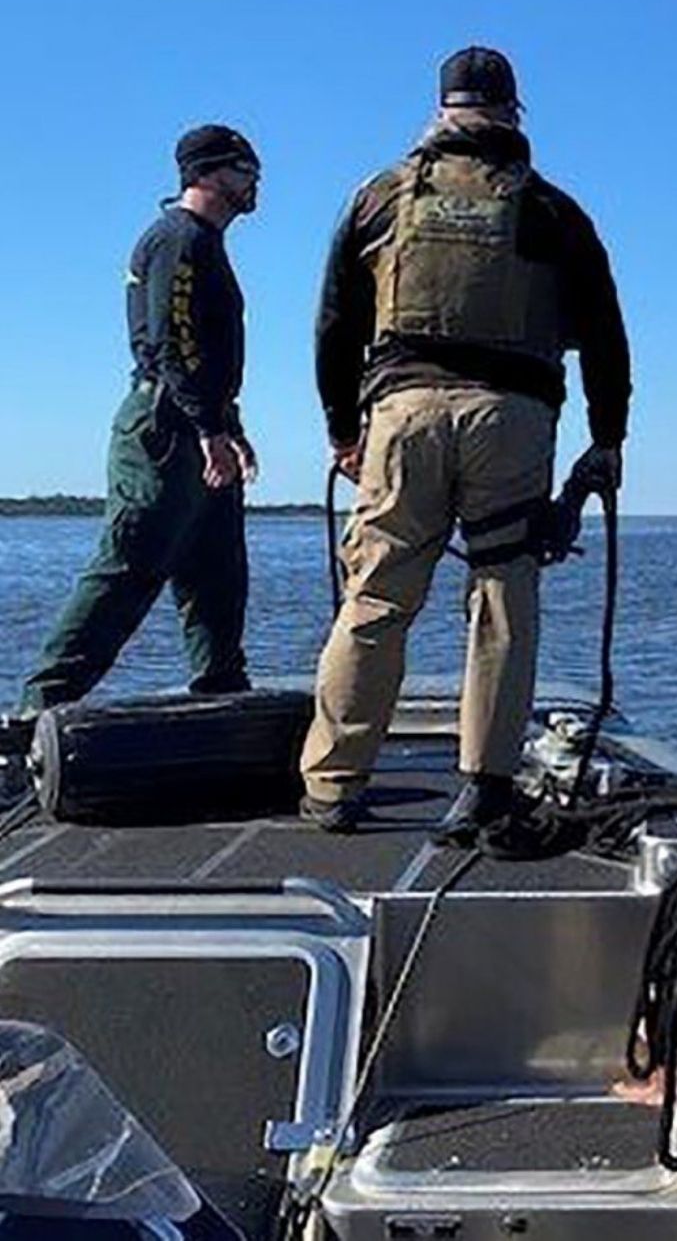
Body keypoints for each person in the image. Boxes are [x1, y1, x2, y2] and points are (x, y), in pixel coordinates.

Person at [298, 47, 631, 838]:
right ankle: (484, 789)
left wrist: (344, 428)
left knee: (375, 598)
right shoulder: (554, 211)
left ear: (443, 111)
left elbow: (334, 326)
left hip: (402, 415)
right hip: (509, 420)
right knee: (502, 600)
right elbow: (608, 337)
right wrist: (607, 438)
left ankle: (334, 786)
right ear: (513, 114)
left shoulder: (379, 198)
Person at [19, 127, 262, 712]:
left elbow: (199, 354)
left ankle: (222, 701)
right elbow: (171, 345)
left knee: (217, 580)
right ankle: (35, 715)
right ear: (207, 174)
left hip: (201, 428)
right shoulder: (177, 240)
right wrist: (209, 430)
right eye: (243, 167)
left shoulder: (205, 243)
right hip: (164, 434)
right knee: (127, 571)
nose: (256, 179)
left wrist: (230, 430)